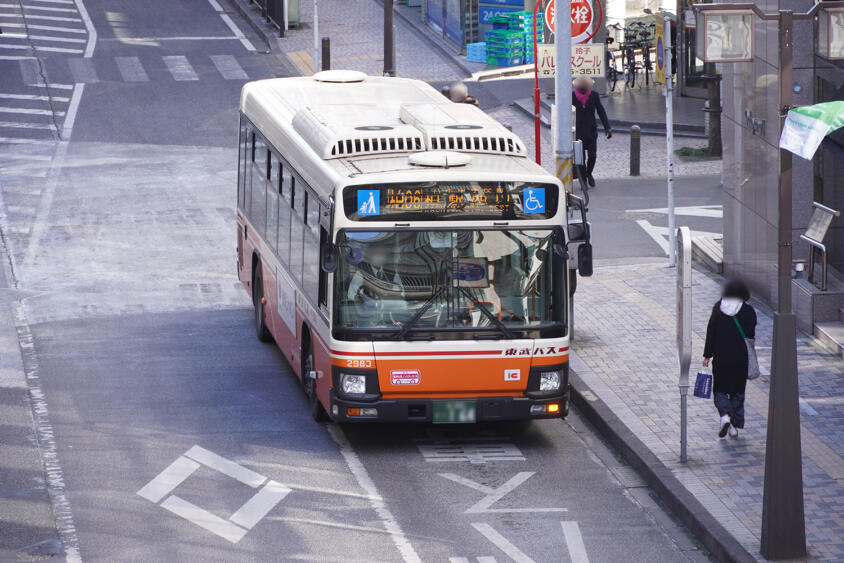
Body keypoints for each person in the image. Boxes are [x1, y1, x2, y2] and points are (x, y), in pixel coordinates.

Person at [703, 279, 757, 438]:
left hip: (721, 358)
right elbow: (750, 335)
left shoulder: (718, 308)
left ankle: (725, 417)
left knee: (720, 390)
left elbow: (710, 333)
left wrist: (707, 355)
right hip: (741, 358)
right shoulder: (748, 311)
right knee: (737, 391)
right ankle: (734, 424)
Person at [571, 77, 612, 188]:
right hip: (578, 132)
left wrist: (607, 127)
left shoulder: (594, 95)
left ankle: (589, 173)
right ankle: (583, 180)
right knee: (581, 159)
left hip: (591, 131)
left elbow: (601, 111)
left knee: (593, 156)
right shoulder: (572, 97)